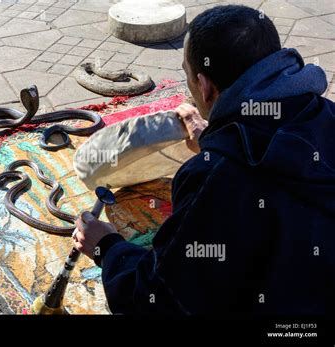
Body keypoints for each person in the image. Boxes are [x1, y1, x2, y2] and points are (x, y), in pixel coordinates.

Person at [72, 4, 335, 315]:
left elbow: (160, 299)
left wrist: (108, 248)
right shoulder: (327, 116)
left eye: (188, 77)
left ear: (206, 86)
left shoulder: (213, 178)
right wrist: (218, 139)